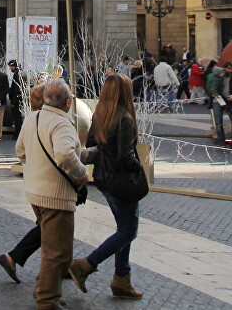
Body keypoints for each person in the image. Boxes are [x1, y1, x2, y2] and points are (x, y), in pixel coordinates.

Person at [68, 74, 145, 300]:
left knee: (124, 228)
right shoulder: (125, 118)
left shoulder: (99, 114)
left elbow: (92, 146)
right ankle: (86, 264)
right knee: (128, 231)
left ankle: (121, 279)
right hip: (122, 180)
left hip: (104, 179)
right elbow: (125, 157)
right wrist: (137, 170)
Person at [14, 78, 89, 310]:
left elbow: (20, 151)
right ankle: (47, 300)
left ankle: (46, 289)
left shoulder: (32, 118)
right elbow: (65, 155)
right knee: (59, 253)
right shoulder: (62, 123)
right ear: (67, 103)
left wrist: (35, 170)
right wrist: (82, 174)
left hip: (35, 192)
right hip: (56, 195)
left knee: (51, 248)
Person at [0, 83, 47, 283]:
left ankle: (61, 267)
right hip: (48, 185)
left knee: (50, 226)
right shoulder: (49, 122)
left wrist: (32, 164)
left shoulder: (29, 120)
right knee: (50, 227)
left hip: (33, 182)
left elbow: (20, 151)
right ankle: (16, 257)